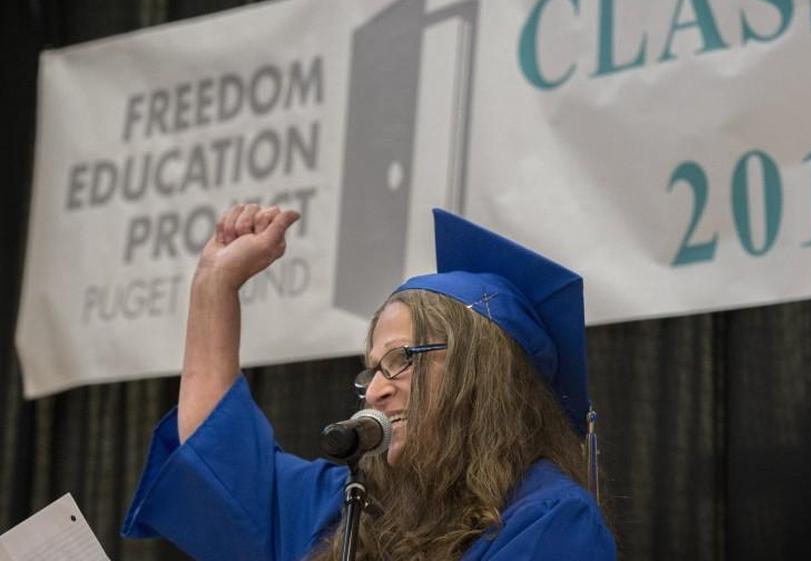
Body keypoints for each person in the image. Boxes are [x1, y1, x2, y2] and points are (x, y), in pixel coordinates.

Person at [121, 204, 616, 561]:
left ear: (483, 375)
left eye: (402, 359)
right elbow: (221, 464)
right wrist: (214, 285)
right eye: (374, 368)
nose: (376, 389)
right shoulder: (356, 505)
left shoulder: (548, 520)